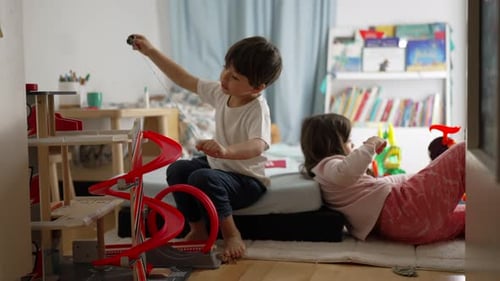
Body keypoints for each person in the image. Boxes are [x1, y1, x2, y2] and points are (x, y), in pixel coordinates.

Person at [129, 34, 282, 261]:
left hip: (246, 180)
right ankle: (197, 228)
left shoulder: (257, 109)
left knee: (203, 177)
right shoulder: (222, 92)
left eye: (235, 77)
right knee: (177, 170)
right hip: (219, 167)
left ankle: (231, 235)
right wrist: (151, 51)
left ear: (257, 88)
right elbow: (183, 78)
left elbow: (257, 145)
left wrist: (226, 151)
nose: (224, 77)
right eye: (225, 68)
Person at [300, 113, 465, 245]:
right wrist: (371, 144)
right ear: (332, 144)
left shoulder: (329, 177)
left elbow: (383, 185)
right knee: (462, 151)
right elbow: (347, 172)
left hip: (408, 228)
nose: (353, 146)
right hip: (405, 212)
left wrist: (417, 176)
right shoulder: (328, 166)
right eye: (349, 141)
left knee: (473, 217)